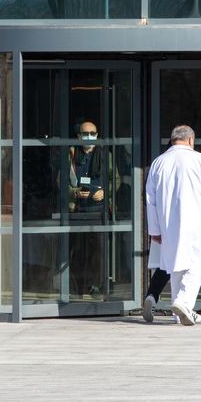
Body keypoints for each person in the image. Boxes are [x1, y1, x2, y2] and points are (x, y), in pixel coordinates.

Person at [145, 125, 201, 326]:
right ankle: (182, 302)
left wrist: (154, 230)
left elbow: (150, 199)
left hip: (167, 224)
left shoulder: (158, 162)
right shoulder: (200, 160)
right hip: (197, 222)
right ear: (190, 140)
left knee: (176, 267)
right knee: (197, 265)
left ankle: (180, 310)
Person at [65, 120, 119, 298]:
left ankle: (97, 287)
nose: (89, 136)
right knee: (77, 251)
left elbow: (115, 180)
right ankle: (77, 288)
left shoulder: (105, 155)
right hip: (78, 210)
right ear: (79, 136)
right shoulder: (71, 154)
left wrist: (105, 192)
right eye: (85, 133)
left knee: (99, 252)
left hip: (99, 210)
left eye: (93, 133)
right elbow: (61, 181)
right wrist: (74, 193)